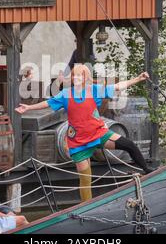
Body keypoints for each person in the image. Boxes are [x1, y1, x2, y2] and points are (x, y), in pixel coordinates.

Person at [16, 64, 154, 202]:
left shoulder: (94, 90)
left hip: (98, 133)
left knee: (128, 144)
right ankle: (86, 207)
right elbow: (47, 103)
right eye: (74, 75)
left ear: (85, 77)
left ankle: (147, 170)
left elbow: (117, 87)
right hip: (78, 142)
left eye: (79, 75)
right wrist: (28, 107)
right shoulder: (65, 94)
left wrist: (137, 79)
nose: (76, 77)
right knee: (85, 179)